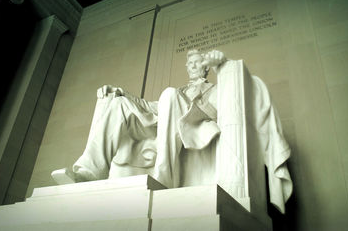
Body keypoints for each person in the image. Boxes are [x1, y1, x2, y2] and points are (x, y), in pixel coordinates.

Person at [52, 49, 226, 188]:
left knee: (169, 93)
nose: (192, 66)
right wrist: (121, 92)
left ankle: (165, 176)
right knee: (118, 103)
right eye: (190, 63)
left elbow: (218, 112)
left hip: (191, 127)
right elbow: (149, 106)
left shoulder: (214, 89)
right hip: (160, 126)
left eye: (197, 62)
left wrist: (222, 65)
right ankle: (89, 172)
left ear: (206, 68)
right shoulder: (176, 92)